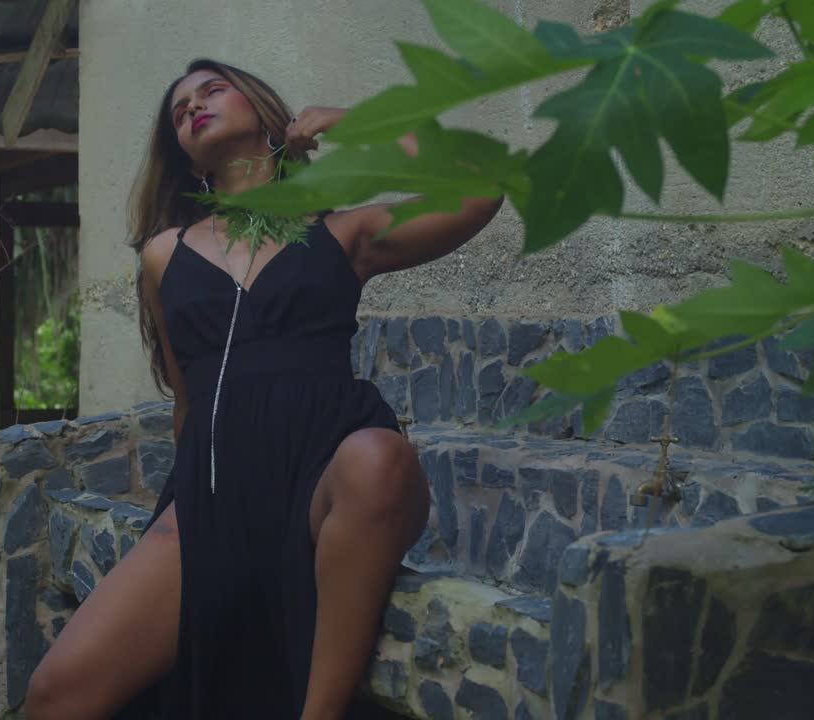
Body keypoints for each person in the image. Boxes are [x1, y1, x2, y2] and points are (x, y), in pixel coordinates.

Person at [25, 58, 503, 720]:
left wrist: (357, 124)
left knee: (378, 457)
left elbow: (482, 188)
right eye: (180, 110)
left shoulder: (342, 234)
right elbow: (187, 400)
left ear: (263, 113)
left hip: (321, 472)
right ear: (186, 159)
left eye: (212, 90)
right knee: (55, 694)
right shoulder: (165, 254)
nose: (193, 106)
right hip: (212, 497)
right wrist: (181, 513)